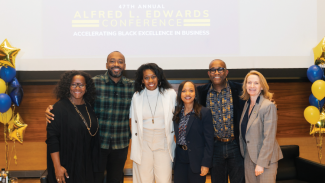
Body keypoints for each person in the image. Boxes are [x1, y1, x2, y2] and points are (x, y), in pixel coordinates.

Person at [46, 51, 134, 183]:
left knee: (116, 179)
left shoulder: (132, 86)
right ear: (106, 64)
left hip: (120, 143)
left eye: (120, 62)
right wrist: (51, 108)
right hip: (97, 145)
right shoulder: (94, 83)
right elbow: (74, 98)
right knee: (94, 180)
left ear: (125, 66)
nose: (116, 64)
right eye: (112, 61)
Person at [197, 59, 245, 183]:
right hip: (214, 147)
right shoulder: (202, 92)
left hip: (236, 145)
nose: (216, 72)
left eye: (220, 69)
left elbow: (254, 102)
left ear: (226, 72)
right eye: (213, 70)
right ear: (209, 73)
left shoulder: (240, 89)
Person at [46, 71, 99, 183]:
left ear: (86, 87)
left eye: (81, 85)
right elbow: (52, 140)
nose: (77, 88)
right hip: (66, 165)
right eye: (74, 84)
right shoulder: (58, 108)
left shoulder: (89, 106)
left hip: (85, 165)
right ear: (68, 86)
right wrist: (57, 167)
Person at [129, 63, 176, 183]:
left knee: (164, 179)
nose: (150, 80)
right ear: (142, 80)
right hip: (143, 142)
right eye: (146, 77)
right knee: (144, 179)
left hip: (164, 141)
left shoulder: (170, 94)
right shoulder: (137, 96)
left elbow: (178, 117)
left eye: (153, 76)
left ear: (159, 77)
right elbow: (131, 119)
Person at [239, 70, 283, 183]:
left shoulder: (268, 106)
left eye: (256, 83)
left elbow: (269, 138)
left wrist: (261, 163)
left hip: (265, 161)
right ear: (245, 85)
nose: (252, 86)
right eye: (249, 83)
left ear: (262, 86)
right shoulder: (247, 104)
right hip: (249, 158)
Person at [173, 81, 214, 183]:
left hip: (197, 160)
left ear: (195, 94)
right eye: (184, 91)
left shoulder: (204, 112)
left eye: (191, 91)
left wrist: (206, 164)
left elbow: (209, 141)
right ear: (180, 94)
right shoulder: (176, 112)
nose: (187, 94)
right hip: (180, 160)